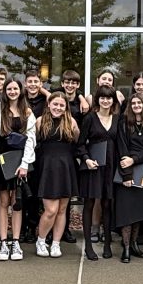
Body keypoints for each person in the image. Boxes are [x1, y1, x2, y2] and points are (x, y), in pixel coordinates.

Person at [0, 78, 35, 262]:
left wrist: (25, 163)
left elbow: (31, 139)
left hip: (19, 162)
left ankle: (16, 242)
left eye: (15, 88)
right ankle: (3, 242)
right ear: (4, 91)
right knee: (3, 202)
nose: (12, 91)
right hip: (2, 161)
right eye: (9, 89)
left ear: (20, 91)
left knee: (17, 202)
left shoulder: (27, 112)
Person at [34, 92, 80, 258]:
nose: (58, 108)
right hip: (47, 168)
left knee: (62, 209)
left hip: (66, 167)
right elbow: (32, 144)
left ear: (65, 107)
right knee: (50, 210)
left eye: (62, 105)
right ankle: (41, 240)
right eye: (55, 104)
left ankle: (56, 243)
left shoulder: (71, 122)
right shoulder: (40, 121)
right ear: (49, 104)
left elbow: (77, 141)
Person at [77, 84, 119, 260]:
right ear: (98, 100)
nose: (105, 101)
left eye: (109, 98)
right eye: (102, 97)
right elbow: (79, 144)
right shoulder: (90, 119)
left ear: (113, 100)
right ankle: (88, 246)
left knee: (107, 205)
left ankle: (107, 243)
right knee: (89, 204)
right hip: (93, 167)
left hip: (111, 166)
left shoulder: (118, 119)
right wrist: (86, 159)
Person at [114, 93, 143, 263]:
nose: (137, 105)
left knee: (138, 211)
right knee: (127, 212)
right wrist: (127, 173)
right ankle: (125, 247)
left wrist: (135, 159)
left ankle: (133, 244)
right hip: (126, 171)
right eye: (133, 102)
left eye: (140, 102)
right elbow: (122, 149)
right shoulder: (123, 123)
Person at [56, 69, 88, 244]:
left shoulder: (81, 104)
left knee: (67, 193)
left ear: (78, 85)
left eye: (74, 83)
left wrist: (82, 97)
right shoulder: (56, 100)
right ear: (62, 83)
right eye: (67, 82)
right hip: (55, 150)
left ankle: (65, 229)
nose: (70, 85)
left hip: (73, 151)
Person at [22, 69, 50, 244]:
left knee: (38, 192)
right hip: (23, 150)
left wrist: (45, 92)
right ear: (25, 83)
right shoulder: (19, 99)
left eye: (36, 82)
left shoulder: (46, 101)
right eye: (29, 81)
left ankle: (35, 227)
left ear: (40, 84)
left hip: (41, 151)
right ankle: (25, 227)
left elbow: (56, 98)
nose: (32, 85)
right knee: (24, 193)